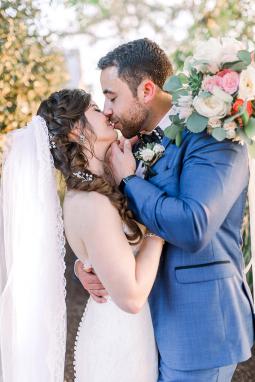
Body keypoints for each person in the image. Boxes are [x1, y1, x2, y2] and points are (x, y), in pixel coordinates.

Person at [76, 38, 255, 382]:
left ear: (146, 90)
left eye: (111, 96)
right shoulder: (131, 145)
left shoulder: (215, 135)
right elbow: (112, 222)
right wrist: (89, 263)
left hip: (198, 327)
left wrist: (129, 181)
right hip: (142, 324)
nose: (106, 109)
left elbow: (193, 225)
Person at [0, 88, 165, 382]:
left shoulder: (104, 182)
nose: (107, 112)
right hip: (120, 345)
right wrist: (158, 227)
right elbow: (132, 297)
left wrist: (82, 266)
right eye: (94, 109)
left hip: (131, 334)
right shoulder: (90, 203)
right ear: (77, 130)